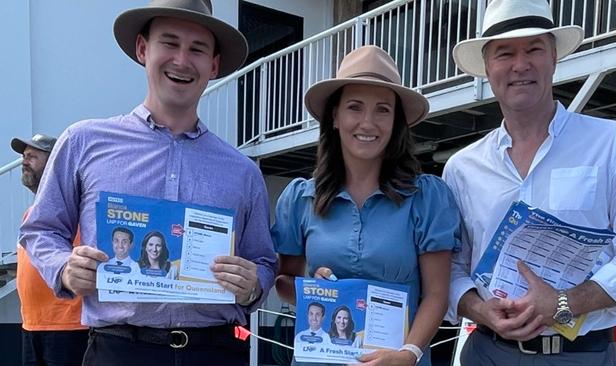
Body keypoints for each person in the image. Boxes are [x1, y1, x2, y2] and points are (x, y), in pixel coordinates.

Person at [19, 1, 277, 365]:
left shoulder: (242, 171)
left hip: (217, 351)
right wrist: (63, 267)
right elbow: (40, 229)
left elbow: (264, 259)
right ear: (143, 49)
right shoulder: (83, 142)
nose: (182, 61)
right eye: (169, 43)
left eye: (197, 49)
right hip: (119, 349)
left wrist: (253, 284)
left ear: (214, 65)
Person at [443, 0, 616, 364]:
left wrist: (565, 302)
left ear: (554, 57)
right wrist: (480, 309)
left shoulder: (614, 142)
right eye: (504, 53)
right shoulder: (461, 168)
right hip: (488, 352)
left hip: (584, 353)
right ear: (487, 69)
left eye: (534, 49)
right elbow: (454, 267)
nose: (520, 65)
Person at [272, 45, 461, 366]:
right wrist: (313, 290)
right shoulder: (299, 198)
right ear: (335, 116)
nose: (368, 122)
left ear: (397, 121)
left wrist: (409, 354)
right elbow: (284, 284)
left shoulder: (427, 197)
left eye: (383, 110)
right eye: (355, 107)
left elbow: (436, 294)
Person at [12, 134, 88, 366]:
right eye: (24, 157)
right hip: (32, 325)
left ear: (56, 162)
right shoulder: (32, 214)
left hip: (69, 328)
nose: (25, 162)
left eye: (33, 157)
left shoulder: (75, 209)